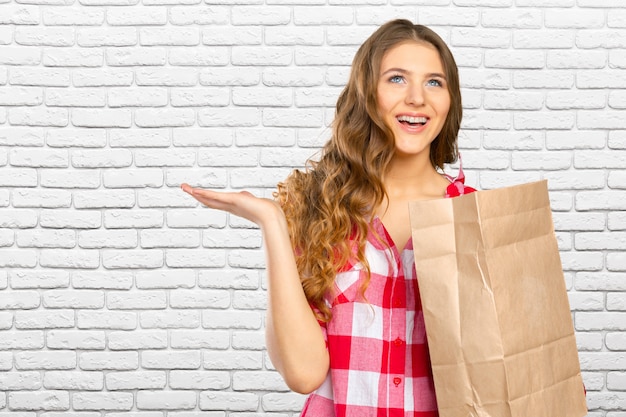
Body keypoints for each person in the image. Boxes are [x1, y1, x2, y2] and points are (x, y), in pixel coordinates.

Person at [181, 19, 475, 417]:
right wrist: (273, 223)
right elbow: (303, 374)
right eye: (396, 79)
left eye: (434, 82)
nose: (417, 98)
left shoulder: (478, 218)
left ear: (450, 101)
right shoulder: (320, 210)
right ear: (367, 94)